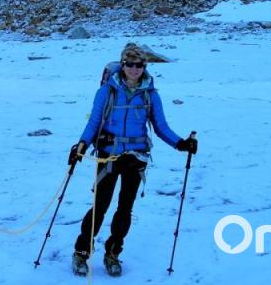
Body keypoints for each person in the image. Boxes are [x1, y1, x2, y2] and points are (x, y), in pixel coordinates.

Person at [67, 43, 198, 277]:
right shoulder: (107, 91)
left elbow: (161, 126)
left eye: (139, 65)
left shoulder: (150, 94)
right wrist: (82, 145)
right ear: (123, 64)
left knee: (125, 208)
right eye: (130, 64)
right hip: (108, 155)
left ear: (144, 66)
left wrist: (181, 144)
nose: (135, 69)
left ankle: (113, 253)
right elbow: (94, 122)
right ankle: (81, 252)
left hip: (136, 158)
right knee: (101, 205)